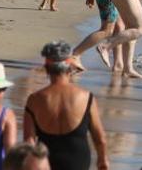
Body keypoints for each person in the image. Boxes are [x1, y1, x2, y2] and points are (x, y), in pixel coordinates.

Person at [24, 41, 109, 170]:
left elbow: (28, 141)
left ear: (46, 67)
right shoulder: (86, 97)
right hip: (78, 162)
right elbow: (100, 138)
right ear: (70, 66)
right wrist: (102, 160)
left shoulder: (35, 100)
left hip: (45, 162)